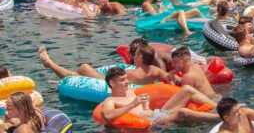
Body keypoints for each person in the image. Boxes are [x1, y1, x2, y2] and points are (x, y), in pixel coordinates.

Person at [99, 66, 219, 125]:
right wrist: (132, 104)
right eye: (122, 80)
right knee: (182, 112)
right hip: (154, 121)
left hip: (157, 113)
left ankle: (220, 108)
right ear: (112, 83)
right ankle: (220, 118)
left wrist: (145, 105)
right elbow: (107, 116)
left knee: (187, 89)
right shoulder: (111, 100)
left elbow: (151, 86)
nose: (127, 82)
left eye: (126, 79)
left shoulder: (129, 91)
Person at [38, 44, 172, 86]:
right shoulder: (154, 70)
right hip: (120, 82)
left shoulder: (132, 73)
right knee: (79, 72)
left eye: (135, 54)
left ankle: (49, 64)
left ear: (140, 58)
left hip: (109, 83)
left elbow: (114, 82)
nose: (132, 56)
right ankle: (53, 70)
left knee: (84, 68)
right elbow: (171, 78)